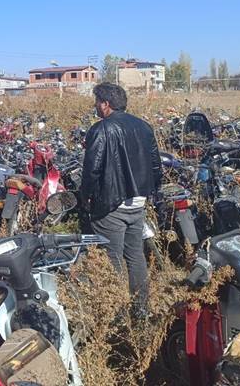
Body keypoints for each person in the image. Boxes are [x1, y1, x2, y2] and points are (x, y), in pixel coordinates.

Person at [81, 83, 162, 316]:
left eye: (97, 101)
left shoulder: (101, 129)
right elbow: (156, 166)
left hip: (111, 205)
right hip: (137, 203)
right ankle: (141, 310)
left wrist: (86, 198)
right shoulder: (144, 127)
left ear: (105, 104)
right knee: (135, 255)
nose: (95, 105)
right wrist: (150, 193)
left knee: (112, 259)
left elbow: (92, 171)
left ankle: (117, 316)